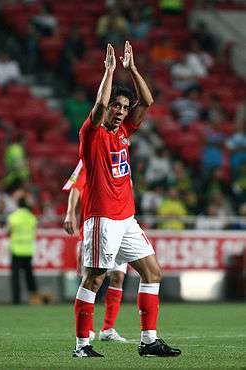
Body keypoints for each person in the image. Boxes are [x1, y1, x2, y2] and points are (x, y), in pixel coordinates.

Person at [73, 41, 181, 358]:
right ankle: (82, 346)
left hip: (126, 219)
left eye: (123, 107)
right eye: (115, 106)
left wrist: (132, 69)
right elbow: (96, 108)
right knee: (94, 279)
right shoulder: (92, 134)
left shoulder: (124, 133)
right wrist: (109, 71)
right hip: (102, 217)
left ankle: (148, 342)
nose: (120, 111)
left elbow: (147, 100)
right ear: (105, 109)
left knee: (152, 272)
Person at [63, 160, 127, 342]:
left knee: (118, 276)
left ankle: (107, 329)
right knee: (91, 278)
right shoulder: (90, 159)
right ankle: (88, 328)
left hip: (120, 227)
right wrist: (70, 213)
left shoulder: (122, 159)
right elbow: (76, 187)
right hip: (95, 228)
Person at [7, 197, 39, 304]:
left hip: (16, 250)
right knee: (29, 276)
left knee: (15, 276)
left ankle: (16, 299)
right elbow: (34, 230)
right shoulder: (32, 218)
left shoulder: (12, 217)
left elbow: (8, 231)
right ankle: (34, 299)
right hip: (28, 250)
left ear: (17, 204)